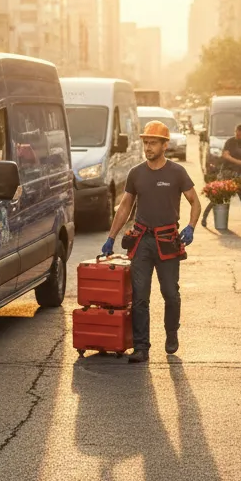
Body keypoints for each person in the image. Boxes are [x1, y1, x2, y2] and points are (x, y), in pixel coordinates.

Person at [101, 121, 202, 363]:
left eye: (153, 142)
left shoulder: (177, 172)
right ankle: (141, 347)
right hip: (142, 241)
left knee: (170, 293)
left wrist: (190, 227)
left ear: (165, 145)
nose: (148, 147)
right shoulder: (136, 173)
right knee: (140, 296)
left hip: (168, 241)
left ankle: (171, 334)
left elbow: (195, 202)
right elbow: (125, 206)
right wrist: (111, 237)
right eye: (146, 142)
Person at [201, 123, 241, 229]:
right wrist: (239, 162)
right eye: (237, 132)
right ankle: (204, 218)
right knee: (219, 197)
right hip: (227, 173)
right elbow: (225, 155)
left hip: (239, 174)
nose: (239, 134)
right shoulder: (230, 142)